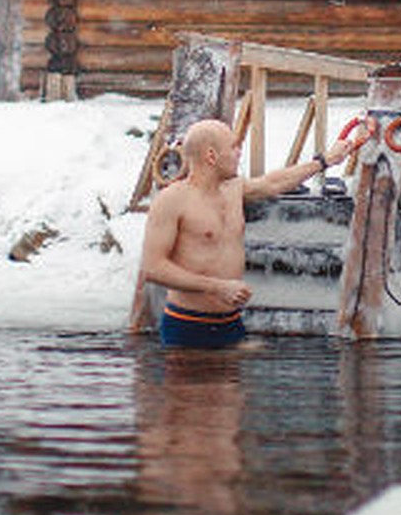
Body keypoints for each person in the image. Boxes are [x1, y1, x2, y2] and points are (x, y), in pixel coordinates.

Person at [138, 119, 356, 349]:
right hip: (188, 324)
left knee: (234, 380)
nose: (239, 153)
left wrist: (325, 161)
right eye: (233, 147)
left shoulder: (234, 189)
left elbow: (274, 182)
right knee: (195, 384)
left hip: (230, 323)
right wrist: (216, 287)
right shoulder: (173, 200)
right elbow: (152, 268)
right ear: (211, 156)